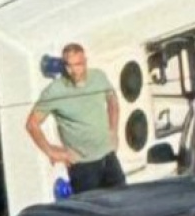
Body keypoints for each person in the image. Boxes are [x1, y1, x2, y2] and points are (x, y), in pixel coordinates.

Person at [25, 43, 125, 194]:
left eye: (78, 64)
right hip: (83, 167)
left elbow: (112, 100)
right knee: (91, 214)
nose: (73, 71)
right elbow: (32, 124)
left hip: (109, 158)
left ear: (85, 61)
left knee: (124, 204)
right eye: (68, 65)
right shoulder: (54, 91)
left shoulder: (98, 77)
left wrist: (114, 131)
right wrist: (52, 152)